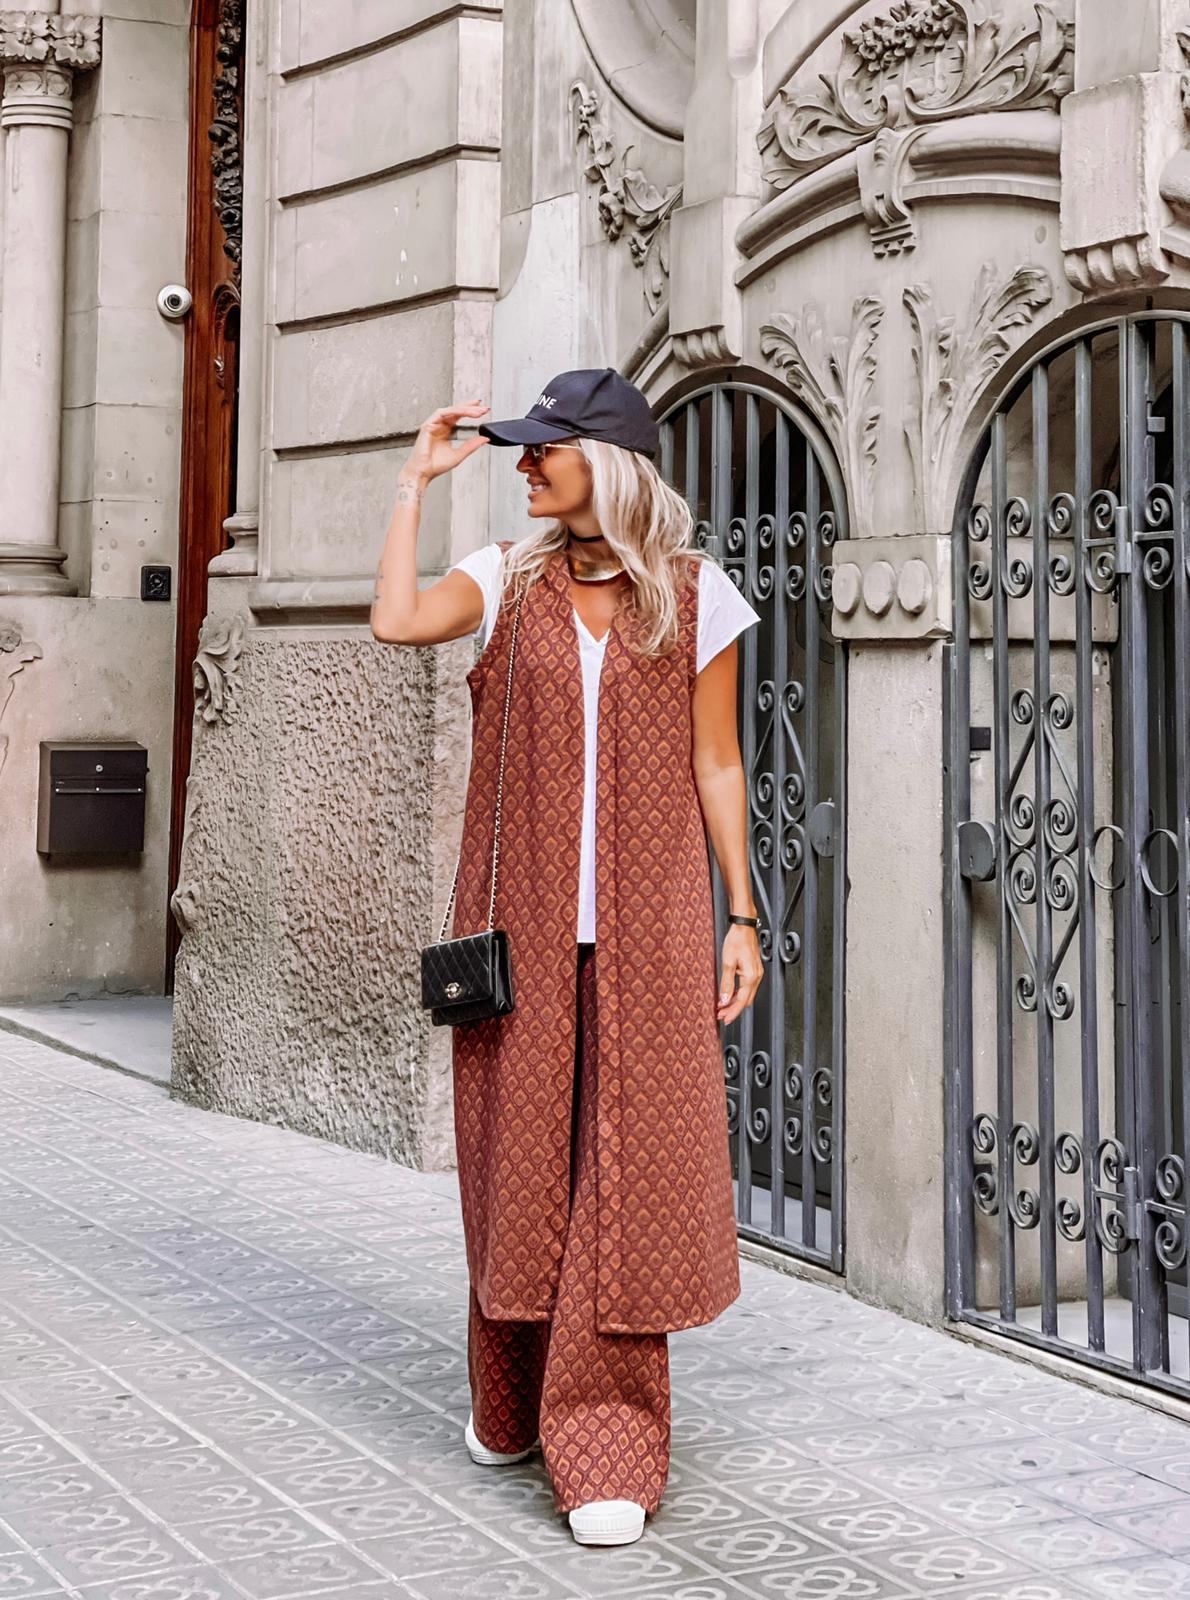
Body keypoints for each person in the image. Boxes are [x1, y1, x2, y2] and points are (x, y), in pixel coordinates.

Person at [371, 368, 763, 1546]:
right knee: (519, 1167)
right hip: (520, 934)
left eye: (547, 446)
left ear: (612, 463)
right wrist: (411, 484)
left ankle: (606, 1439)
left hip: (650, 935)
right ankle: (509, 1394)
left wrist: (742, 915)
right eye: (524, 446)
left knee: (623, 1182)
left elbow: (717, 762)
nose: (526, 462)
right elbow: (396, 621)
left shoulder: (695, 594)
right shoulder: (504, 577)